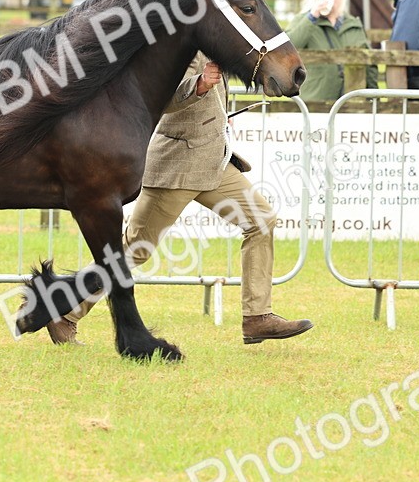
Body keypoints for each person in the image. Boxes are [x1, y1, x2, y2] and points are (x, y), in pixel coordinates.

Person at [42, 55, 314, 346]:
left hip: (213, 162)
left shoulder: (217, 43)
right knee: (134, 249)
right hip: (178, 167)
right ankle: (66, 312)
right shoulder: (183, 45)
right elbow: (163, 97)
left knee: (261, 219)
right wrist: (198, 84)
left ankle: (257, 318)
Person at [286, 0, 377, 102]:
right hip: (314, 102)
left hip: (352, 103)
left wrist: (373, 97)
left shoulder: (352, 23)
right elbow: (288, 48)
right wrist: (313, 15)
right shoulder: (303, 21)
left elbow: (368, 64)